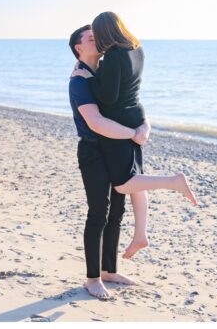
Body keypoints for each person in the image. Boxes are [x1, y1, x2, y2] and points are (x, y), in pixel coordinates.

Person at [73, 11, 198, 263]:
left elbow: (108, 98)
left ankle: (173, 182)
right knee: (136, 180)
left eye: (98, 34)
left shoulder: (111, 58)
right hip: (137, 115)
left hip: (120, 122)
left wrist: (89, 78)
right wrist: (142, 125)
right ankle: (141, 233)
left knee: (123, 182)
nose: (97, 40)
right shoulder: (137, 49)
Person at [68, 24, 149, 300]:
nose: (99, 40)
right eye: (92, 38)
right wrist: (133, 134)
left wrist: (143, 126)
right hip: (93, 152)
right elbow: (96, 121)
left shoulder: (105, 71)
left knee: (117, 211)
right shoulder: (78, 80)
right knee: (98, 213)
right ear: (79, 48)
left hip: (115, 148)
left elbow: (129, 102)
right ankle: (92, 279)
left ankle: (109, 271)